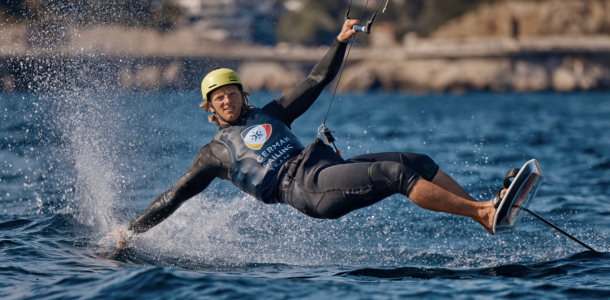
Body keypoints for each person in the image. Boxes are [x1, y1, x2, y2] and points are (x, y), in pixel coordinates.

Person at [108, 19, 503, 249]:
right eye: (218, 99)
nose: (226, 101)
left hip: (324, 168)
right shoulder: (213, 154)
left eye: (231, 94)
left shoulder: (272, 113)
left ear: (242, 95)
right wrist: (130, 230)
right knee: (393, 176)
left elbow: (316, 78)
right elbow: (175, 196)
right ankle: (484, 212)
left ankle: (482, 213)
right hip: (304, 189)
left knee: (414, 162)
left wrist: (340, 41)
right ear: (209, 108)